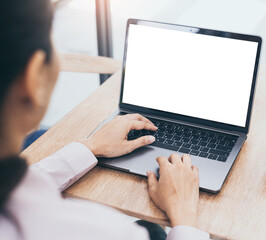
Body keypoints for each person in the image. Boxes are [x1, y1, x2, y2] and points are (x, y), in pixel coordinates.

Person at [0, 0, 209, 239]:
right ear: (33, 79)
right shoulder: (110, 232)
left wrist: (92, 146)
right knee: (151, 230)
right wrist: (185, 217)